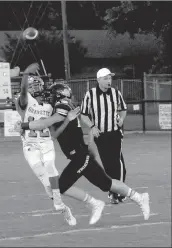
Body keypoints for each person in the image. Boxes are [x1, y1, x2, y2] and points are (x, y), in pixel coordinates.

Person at [19, 83, 150, 222]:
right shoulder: (63, 107)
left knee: (61, 186)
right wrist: (66, 122)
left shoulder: (62, 106)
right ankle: (139, 198)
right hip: (80, 154)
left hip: (79, 156)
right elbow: (55, 134)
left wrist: (23, 125)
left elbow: (46, 123)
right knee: (107, 183)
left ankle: (95, 203)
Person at [14, 63, 77, 226]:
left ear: (42, 87)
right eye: (31, 85)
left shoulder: (50, 107)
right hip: (29, 144)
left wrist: (67, 121)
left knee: (50, 167)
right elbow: (22, 92)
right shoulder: (25, 101)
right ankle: (62, 207)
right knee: (44, 178)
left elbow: (54, 134)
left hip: (46, 143)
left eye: (36, 84)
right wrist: (26, 74)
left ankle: (60, 205)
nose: (33, 88)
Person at [81, 68, 127, 204]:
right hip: (100, 135)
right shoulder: (90, 95)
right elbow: (83, 115)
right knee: (108, 165)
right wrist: (92, 127)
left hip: (114, 133)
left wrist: (122, 119)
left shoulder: (116, 93)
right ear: (99, 80)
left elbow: (123, 109)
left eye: (110, 78)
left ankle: (118, 192)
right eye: (106, 78)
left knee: (118, 164)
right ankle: (113, 191)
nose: (109, 81)